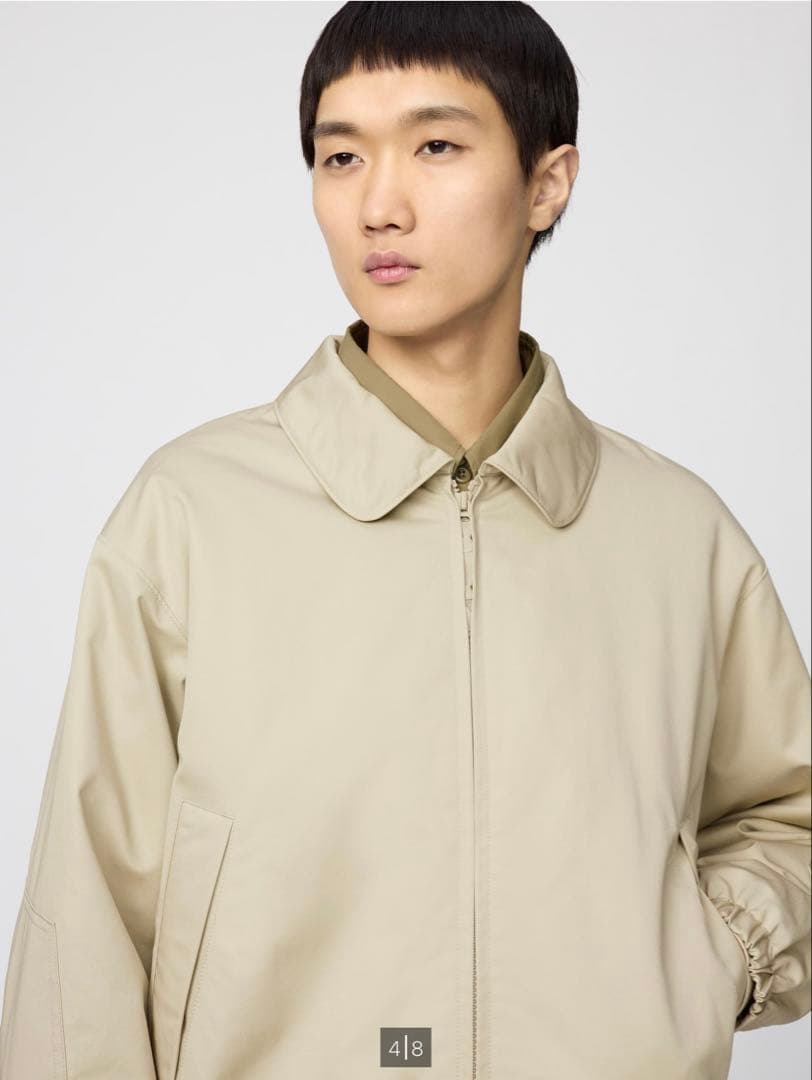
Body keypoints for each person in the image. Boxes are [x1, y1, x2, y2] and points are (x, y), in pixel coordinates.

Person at [1, 3, 809, 1078]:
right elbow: (83, 923)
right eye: (340, 156)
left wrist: (711, 961)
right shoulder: (189, 513)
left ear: (547, 183)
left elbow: (788, 817)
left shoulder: (678, 534)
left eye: (435, 146)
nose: (379, 206)